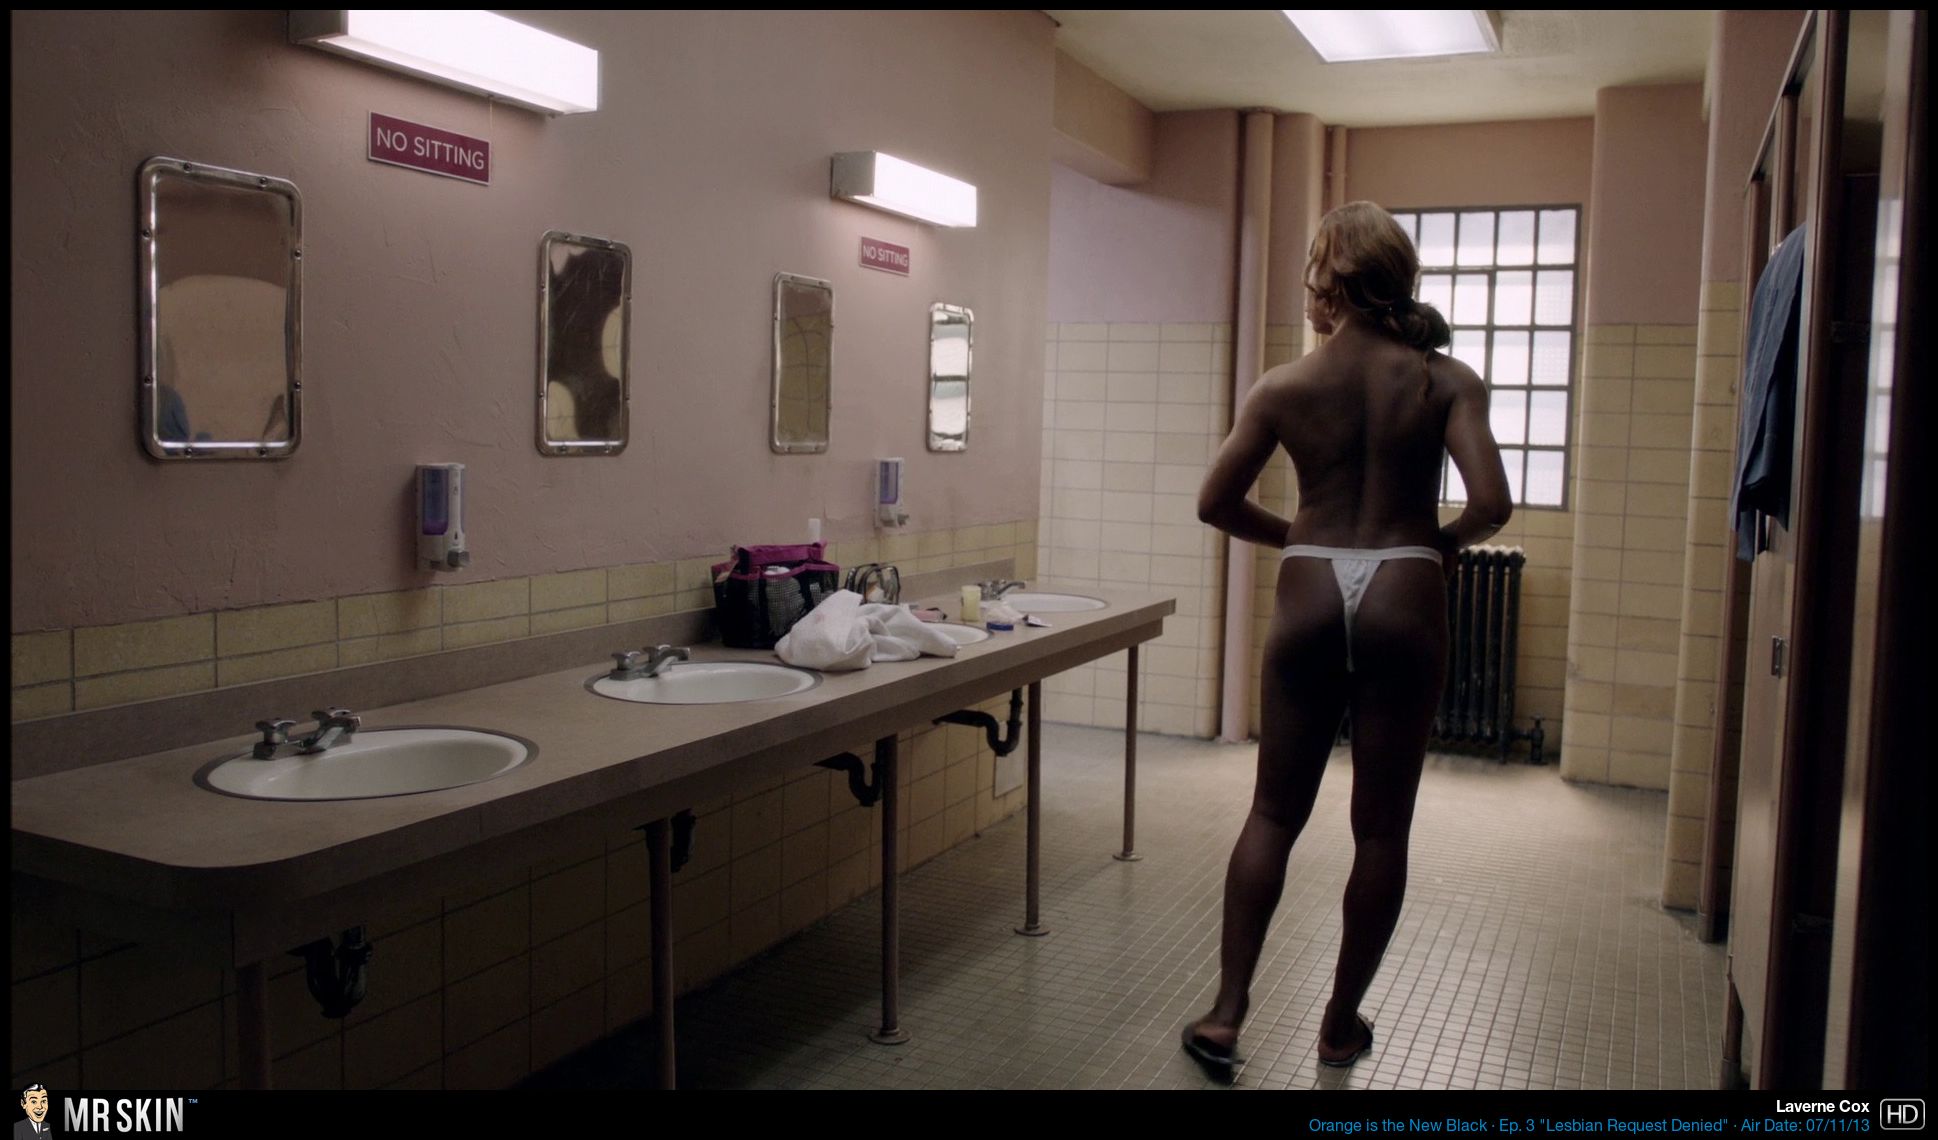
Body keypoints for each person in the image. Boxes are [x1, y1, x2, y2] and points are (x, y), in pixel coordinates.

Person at [1183, 201, 1512, 1076]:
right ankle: (1337, 1024)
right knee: (1381, 831)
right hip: (1405, 580)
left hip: (1312, 583)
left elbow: (1215, 502)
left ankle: (1226, 1015)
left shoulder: (1284, 385)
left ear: (1328, 281)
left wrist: (1298, 536)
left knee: (1273, 812)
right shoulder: (1445, 381)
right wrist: (1439, 545)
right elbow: (1491, 504)